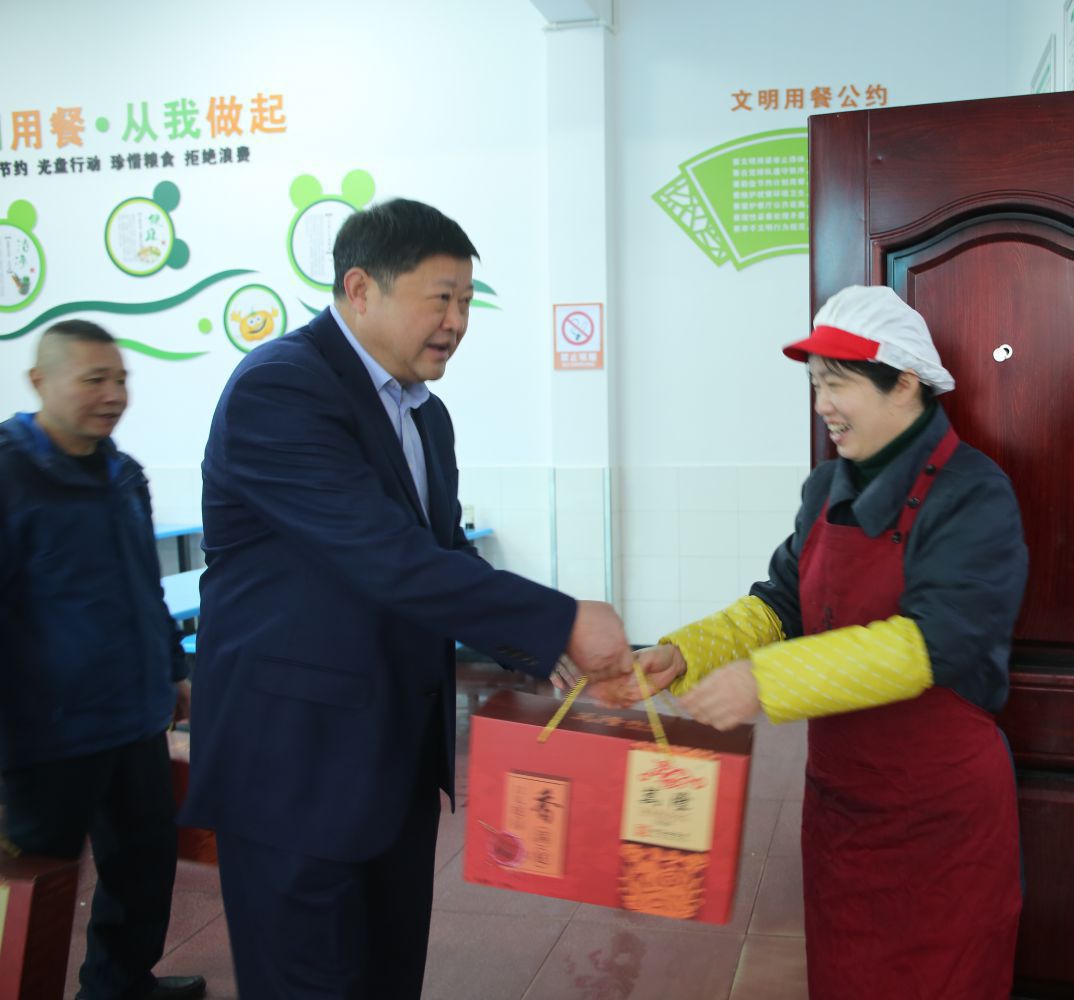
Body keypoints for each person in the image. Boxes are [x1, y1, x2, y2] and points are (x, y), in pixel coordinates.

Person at [180, 198, 632, 998]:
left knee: (388, 976)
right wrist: (561, 621)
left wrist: (545, 647)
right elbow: (385, 556)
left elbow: (441, 551)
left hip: (392, 758)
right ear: (361, 289)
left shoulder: (425, 415)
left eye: (467, 301)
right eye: (440, 298)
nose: (457, 322)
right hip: (294, 765)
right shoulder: (280, 389)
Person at [595, 285, 1028, 998]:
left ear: (905, 383)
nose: (822, 402)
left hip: (940, 819)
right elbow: (780, 603)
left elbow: (938, 641)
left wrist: (764, 682)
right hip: (843, 810)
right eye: (815, 383)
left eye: (838, 382)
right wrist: (686, 652)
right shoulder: (826, 488)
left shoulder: (973, 493)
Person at [0, 320, 207, 1000]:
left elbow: (146, 585)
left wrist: (172, 670)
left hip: (132, 719)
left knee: (143, 867)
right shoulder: (10, 474)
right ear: (39, 381)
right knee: (37, 888)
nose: (114, 394)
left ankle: (120, 986)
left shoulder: (124, 474)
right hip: (44, 735)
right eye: (94, 379)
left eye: (120, 379)